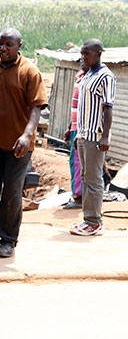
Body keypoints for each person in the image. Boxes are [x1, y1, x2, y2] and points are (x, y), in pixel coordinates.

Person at [0, 27, 48, 258]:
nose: (3, 48)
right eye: (0, 44)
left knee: (12, 192)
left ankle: (8, 240)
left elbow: (36, 107)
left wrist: (27, 135)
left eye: (9, 44)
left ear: (19, 46)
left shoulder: (30, 72)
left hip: (19, 145)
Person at [70, 39, 115, 237]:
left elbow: (108, 108)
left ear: (98, 53)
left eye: (87, 53)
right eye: (82, 53)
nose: (83, 57)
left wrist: (105, 136)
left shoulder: (106, 76)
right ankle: (88, 219)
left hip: (95, 136)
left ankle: (94, 222)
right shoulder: (87, 75)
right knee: (86, 176)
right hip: (83, 133)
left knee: (94, 178)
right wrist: (74, 130)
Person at [62, 61, 88, 210]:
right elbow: (76, 107)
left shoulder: (91, 79)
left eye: (86, 57)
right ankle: (77, 194)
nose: (83, 61)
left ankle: (79, 197)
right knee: (74, 161)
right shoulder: (80, 77)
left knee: (79, 163)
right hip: (75, 127)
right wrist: (69, 127)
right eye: (81, 58)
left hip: (82, 129)